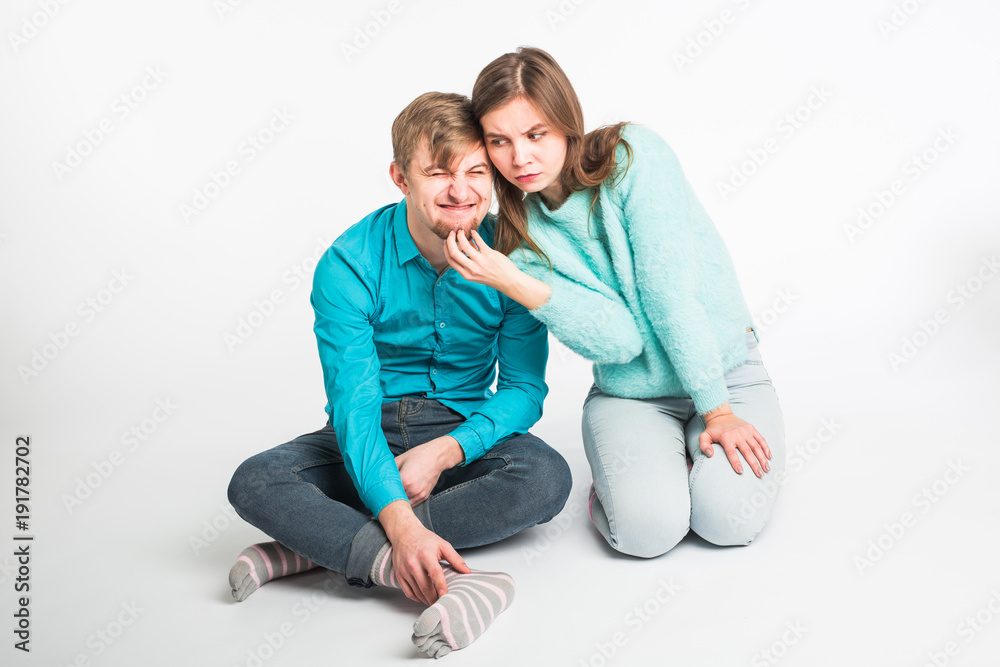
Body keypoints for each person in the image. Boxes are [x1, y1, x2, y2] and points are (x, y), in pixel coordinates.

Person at [226, 91, 572, 659]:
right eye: (437, 173)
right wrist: (400, 523)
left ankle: (316, 546)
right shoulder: (349, 263)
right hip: (369, 429)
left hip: (459, 427)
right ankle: (440, 574)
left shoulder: (515, 257)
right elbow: (354, 409)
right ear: (400, 177)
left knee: (545, 479)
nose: (460, 192)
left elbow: (523, 389)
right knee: (255, 481)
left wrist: (448, 452)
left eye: (476, 172)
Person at [442, 47, 784, 559]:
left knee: (726, 522)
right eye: (500, 141)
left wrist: (717, 413)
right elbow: (619, 341)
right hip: (632, 394)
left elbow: (669, 296)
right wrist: (512, 280)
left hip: (725, 373)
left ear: (566, 122)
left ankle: (689, 456)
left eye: (535, 134)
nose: (520, 158)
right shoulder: (516, 241)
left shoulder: (632, 154)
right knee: (647, 534)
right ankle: (637, 479)